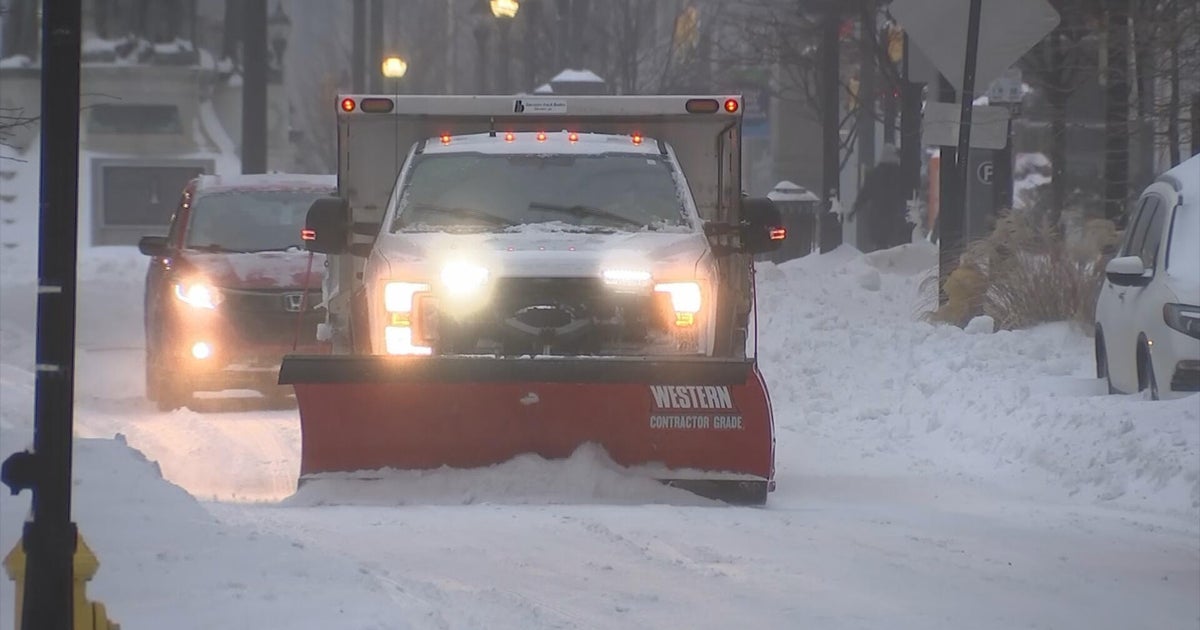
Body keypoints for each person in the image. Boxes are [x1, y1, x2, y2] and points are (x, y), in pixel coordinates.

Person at [849, 144, 908, 252]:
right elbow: (906, 195)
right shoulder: (900, 174)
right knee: (894, 247)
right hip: (894, 214)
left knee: (880, 244)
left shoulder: (875, 174)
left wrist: (854, 210)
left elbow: (864, 194)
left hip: (877, 215)